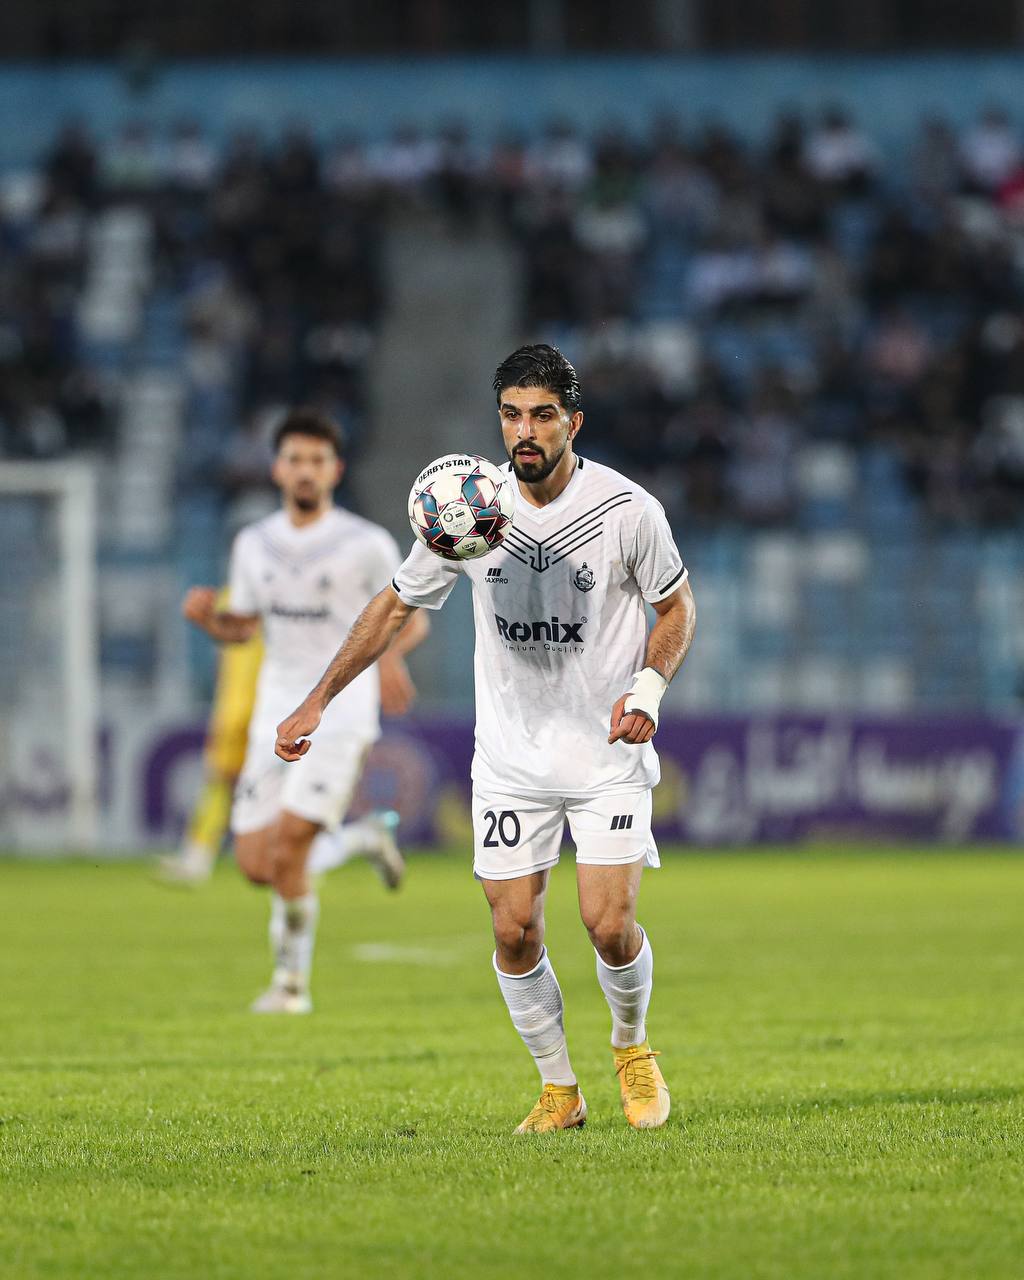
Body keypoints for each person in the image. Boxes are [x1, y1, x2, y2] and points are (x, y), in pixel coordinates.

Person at [275, 346, 696, 1132]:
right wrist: (316, 701)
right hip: (510, 758)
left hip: (605, 753)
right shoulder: (468, 511)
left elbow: (676, 608)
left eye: (542, 415)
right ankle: (559, 1090)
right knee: (513, 930)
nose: (524, 431)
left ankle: (632, 1047)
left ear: (573, 422)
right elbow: (393, 607)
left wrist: (648, 688)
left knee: (608, 925)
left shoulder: (626, 510)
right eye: (511, 415)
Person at [183, 407, 428, 1012]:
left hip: (341, 710)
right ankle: (362, 838)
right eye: (295, 459)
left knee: (291, 845)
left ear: (335, 470)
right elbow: (244, 628)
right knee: (254, 863)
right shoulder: (253, 544)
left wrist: (389, 661)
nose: (305, 470)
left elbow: (412, 619)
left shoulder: (366, 544)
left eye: (317, 460)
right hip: (275, 708)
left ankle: (290, 986)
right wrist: (211, 621)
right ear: (276, 468)